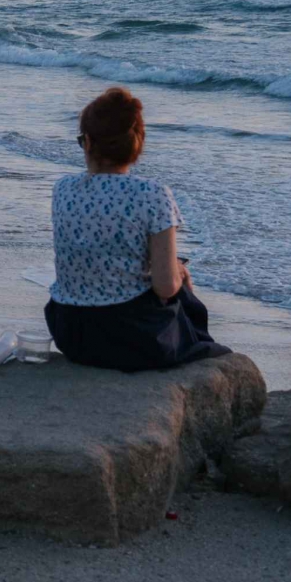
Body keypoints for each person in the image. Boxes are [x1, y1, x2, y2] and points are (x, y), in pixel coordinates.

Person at [43, 87, 232, 371]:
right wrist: (178, 275)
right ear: (136, 145)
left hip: (70, 331)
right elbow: (165, 287)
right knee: (179, 283)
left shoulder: (63, 189)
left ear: (89, 143)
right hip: (133, 337)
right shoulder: (151, 194)